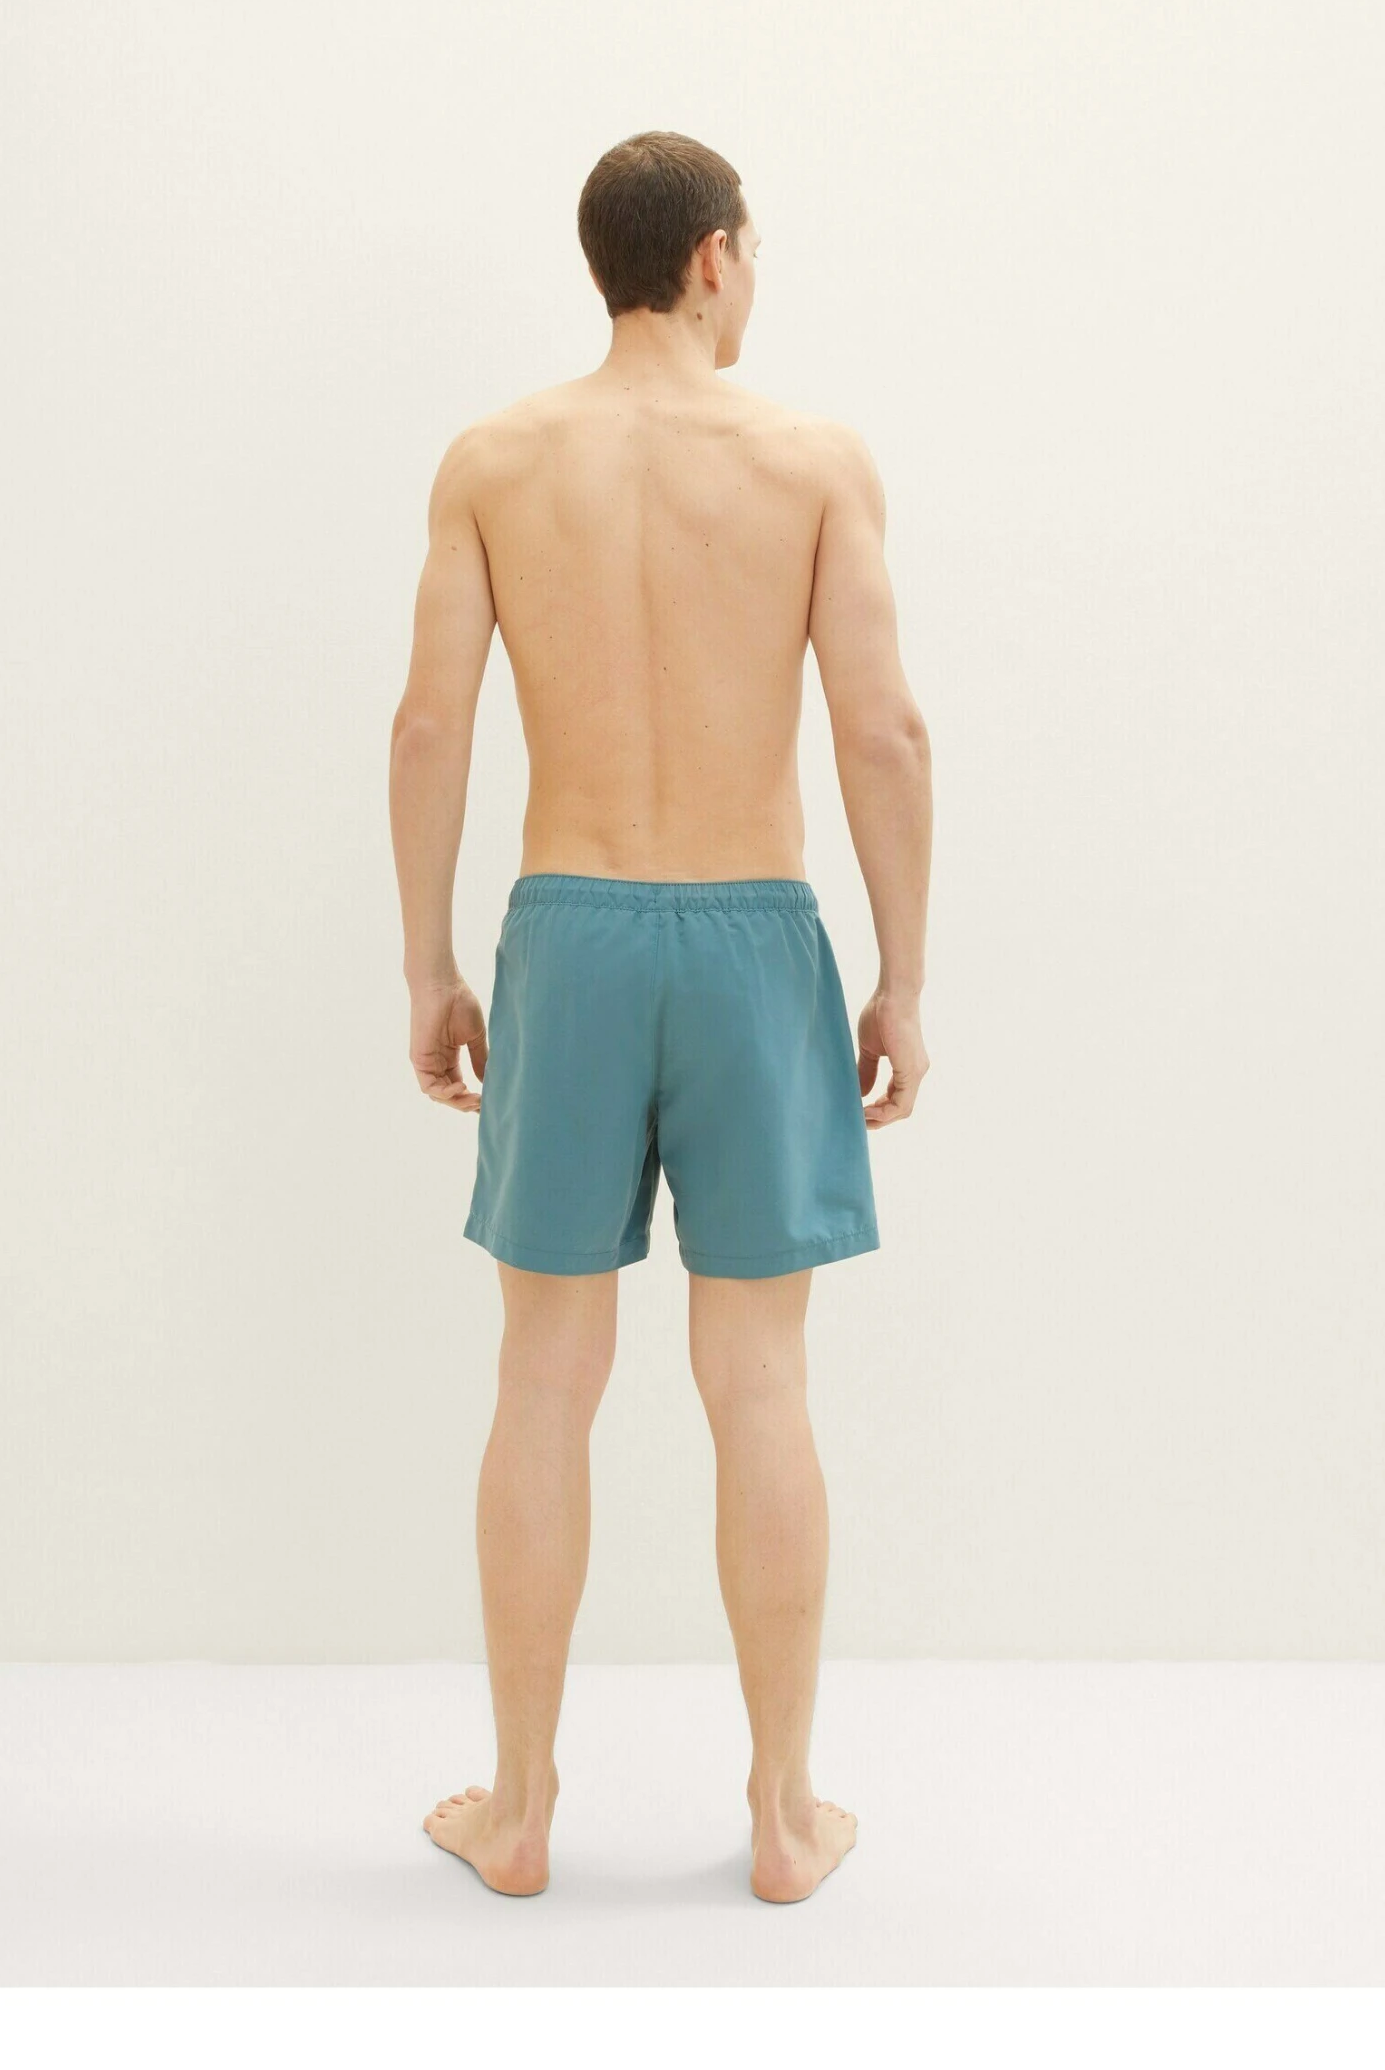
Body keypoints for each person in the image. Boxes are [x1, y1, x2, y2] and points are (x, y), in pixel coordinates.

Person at [388, 130, 932, 1903]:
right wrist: (903, 976)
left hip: (569, 931)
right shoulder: (813, 462)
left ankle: (519, 1812)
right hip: (754, 936)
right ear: (711, 257)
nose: (756, 282)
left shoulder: (495, 459)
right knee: (758, 1379)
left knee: (543, 1378)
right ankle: (782, 1814)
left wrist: (430, 966)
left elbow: (428, 726)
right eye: (754, 255)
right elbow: (883, 732)